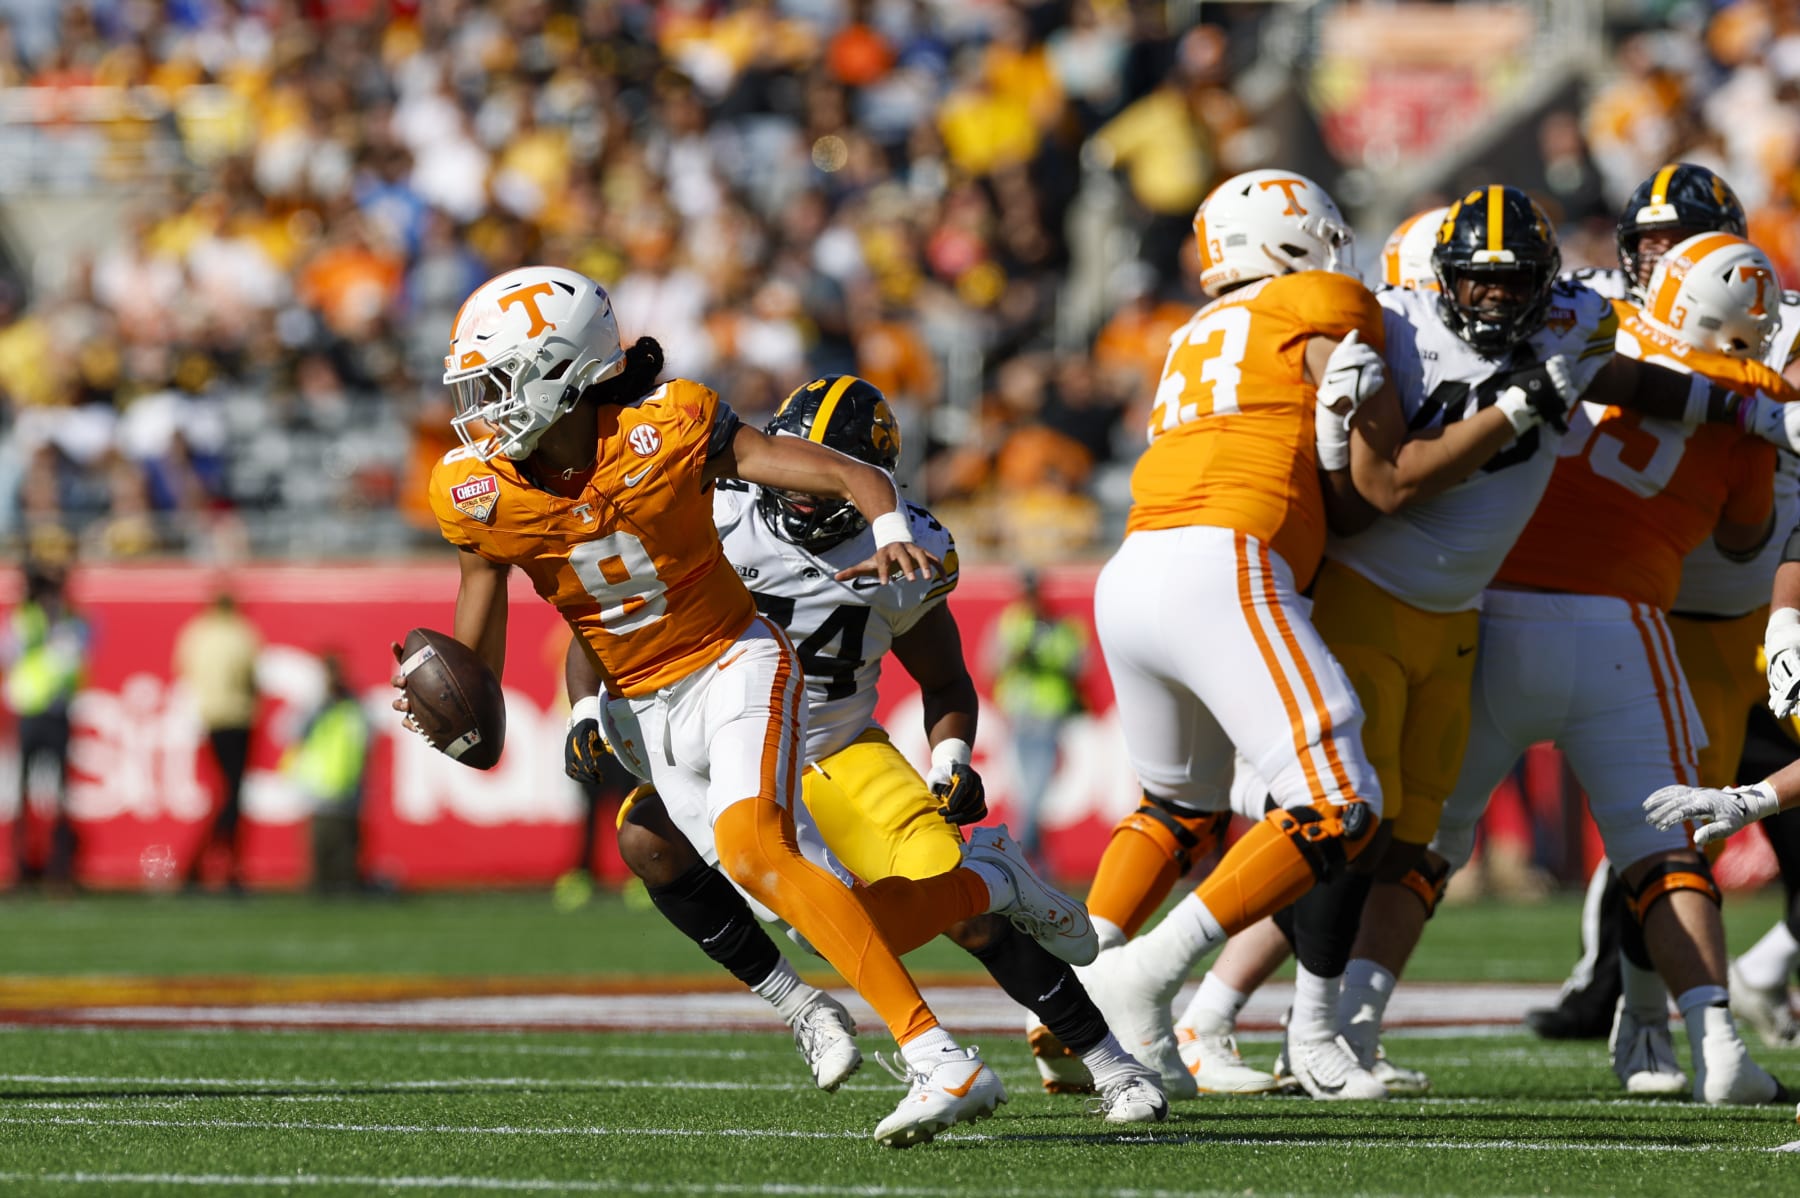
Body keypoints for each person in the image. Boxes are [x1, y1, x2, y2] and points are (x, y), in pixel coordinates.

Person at [398, 265, 1095, 1148]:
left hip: (734, 660)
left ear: (563, 371)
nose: (483, 411)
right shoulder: (475, 489)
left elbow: (857, 479)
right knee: (770, 895)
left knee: (753, 847)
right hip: (648, 707)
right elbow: (480, 657)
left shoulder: (672, 424)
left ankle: (939, 1059)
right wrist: (460, 712)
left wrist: (886, 535)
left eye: (499, 386)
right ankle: (831, 994)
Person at [566, 374, 1165, 1123]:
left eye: (830, 472)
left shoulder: (907, 546)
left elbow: (946, 681)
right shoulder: (711, 508)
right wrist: (586, 708)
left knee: (958, 920)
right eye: (799, 464)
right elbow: (601, 613)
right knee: (649, 841)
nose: (809, 494)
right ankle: (807, 1003)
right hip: (738, 746)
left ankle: (1114, 1065)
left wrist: (951, 761)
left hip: (841, 750)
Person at [1538, 163, 1800, 1046]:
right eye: (1650, 240)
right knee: (1661, 822)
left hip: (1739, 614)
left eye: (1681, 237)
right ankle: (1631, 1004)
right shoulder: (1605, 314)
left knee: (1677, 820)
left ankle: (1686, 1000)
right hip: (1657, 609)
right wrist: (1745, 413)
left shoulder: (1779, 319)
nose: (1664, 254)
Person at [985, 570, 1087, 861]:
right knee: (1028, 789)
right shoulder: (1010, 623)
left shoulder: (1059, 626)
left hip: (1048, 713)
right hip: (1018, 713)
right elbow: (990, 666)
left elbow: (1079, 666)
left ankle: (1020, 851)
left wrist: (1048, 657)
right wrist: (1016, 654)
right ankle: (1036, 860)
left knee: (1036, 787)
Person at [3, 557, 88, 886]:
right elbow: (13, 650)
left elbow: (78, 650)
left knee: (61, 794)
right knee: (23, 792)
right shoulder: (27, 621)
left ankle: (59, 868)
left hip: (56, 712)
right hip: (31, 713)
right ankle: (21, 865)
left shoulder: (69, 623)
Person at [173, 590, 261, 891]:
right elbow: (250, 676)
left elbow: (183, 669)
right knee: (232, 796)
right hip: (237, 718)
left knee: (223, 794)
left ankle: (205, 865)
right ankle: (222, 864)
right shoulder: (241, 634)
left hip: (208, 718)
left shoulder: (197, 632)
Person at [284, 654, 370, 894]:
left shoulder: (354, 705)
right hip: (319, 793)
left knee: (347, 867)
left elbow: (365, 742)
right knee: (321, 868)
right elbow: (293, 732)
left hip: (349, 793)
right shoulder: (315, 707)